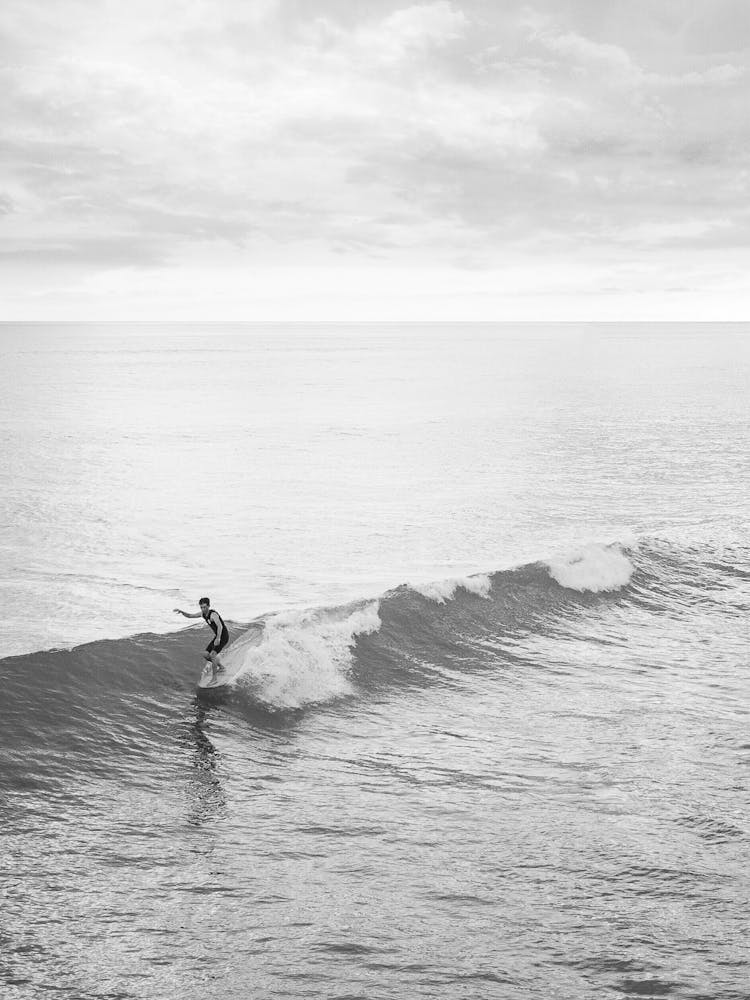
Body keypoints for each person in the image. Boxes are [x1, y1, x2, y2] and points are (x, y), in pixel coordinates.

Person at [174, 598, 230, 678]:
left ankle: (214, 679)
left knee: (213, 655)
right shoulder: (202, 614)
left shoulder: (213, 614)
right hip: (217, 636)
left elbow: (220, 626)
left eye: (205, 607)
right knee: (206, 655)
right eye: (201, 607)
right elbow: (190, 616)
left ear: (209, 606)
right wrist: (182, 612)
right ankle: (221, 667)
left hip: (223, 636)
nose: (203, 609)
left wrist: (218, 638)